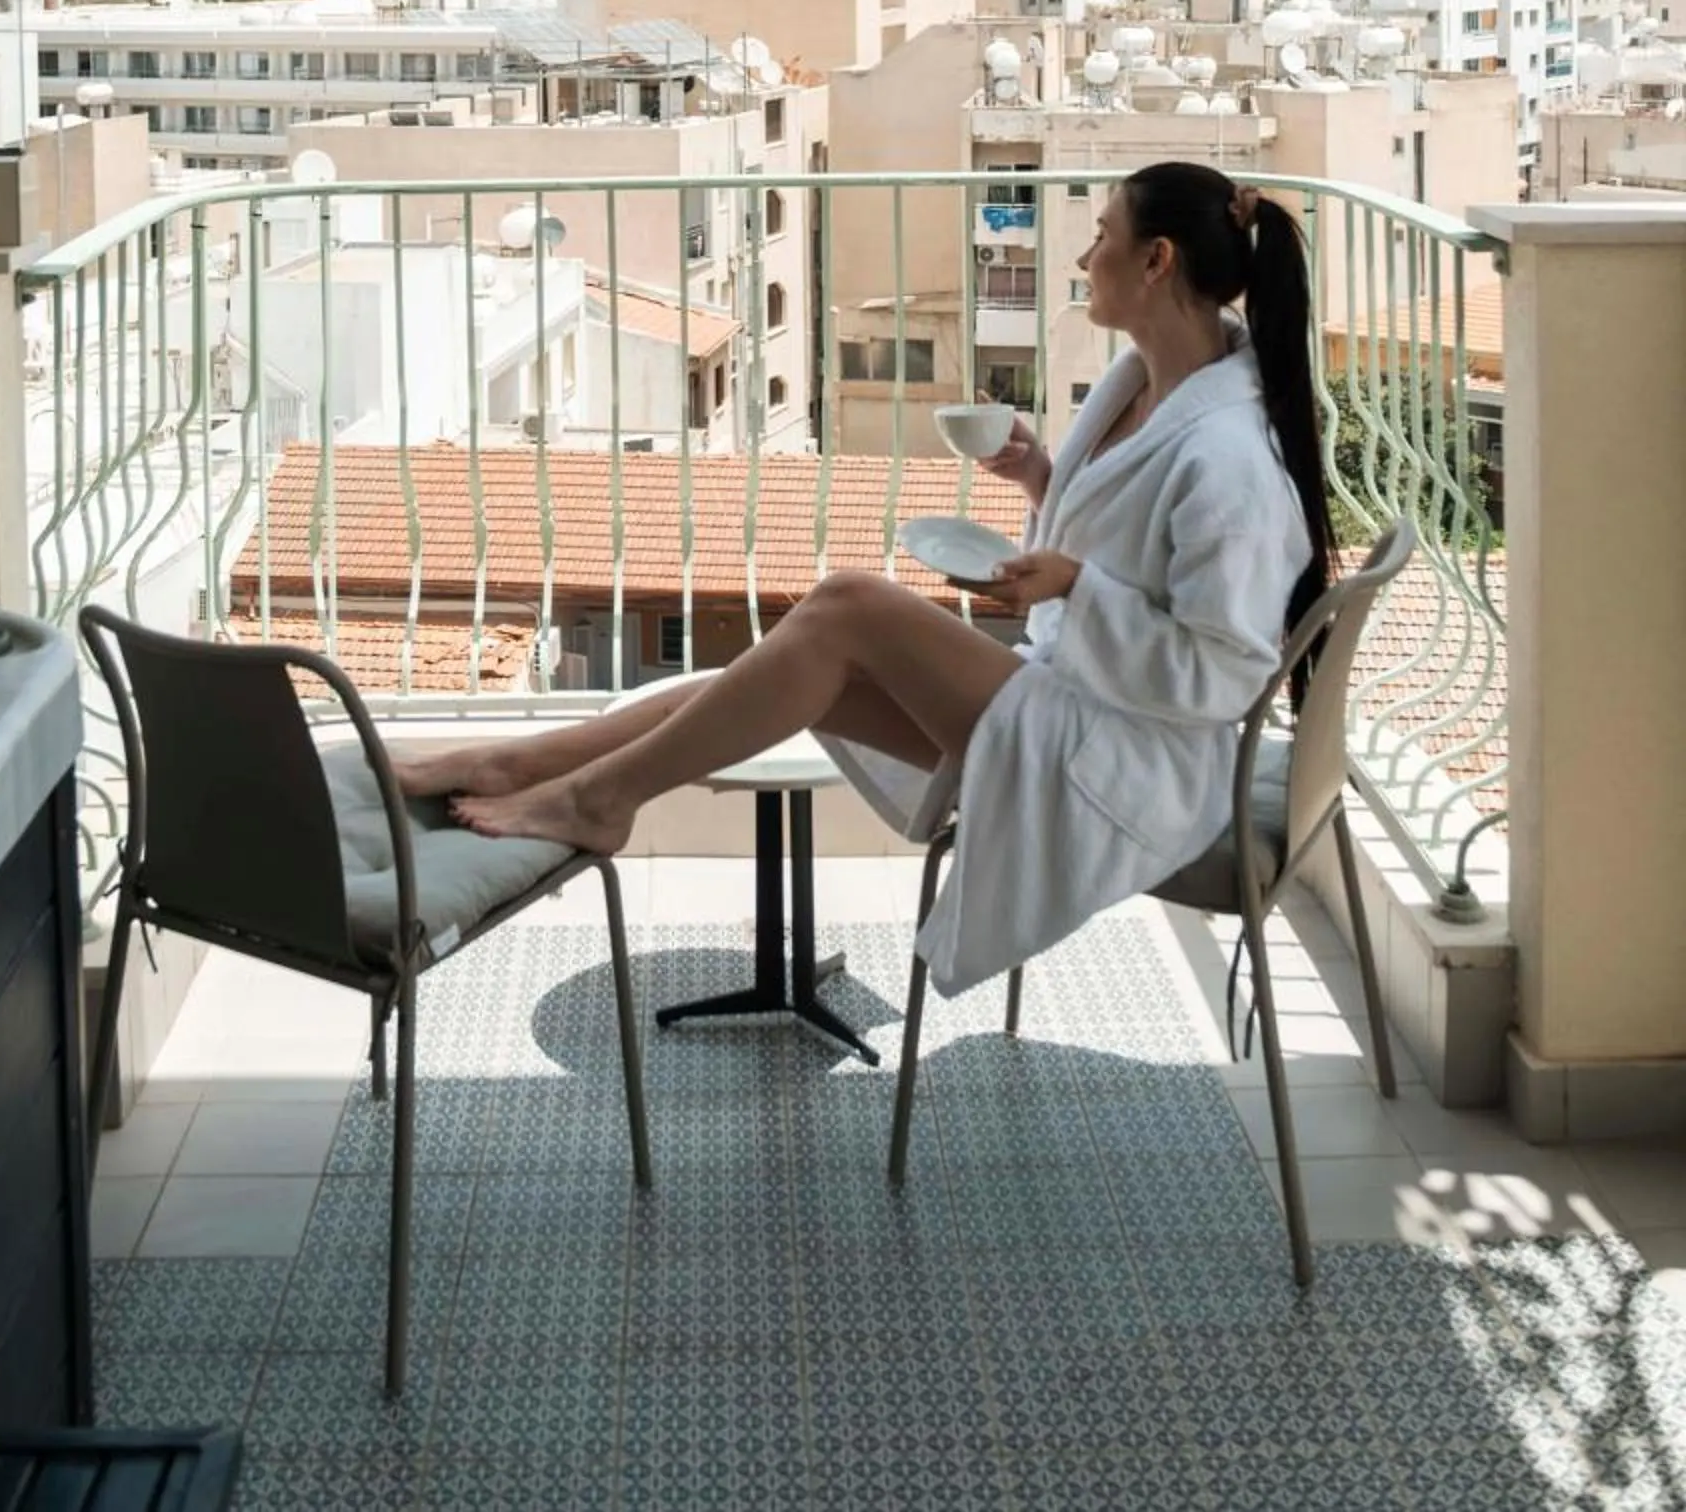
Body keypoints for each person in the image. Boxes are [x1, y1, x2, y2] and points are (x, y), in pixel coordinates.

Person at [400, 162, 1333, 998]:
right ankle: (520, 765)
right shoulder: (1140, 384)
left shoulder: (1228, 458)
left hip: (1137, 764)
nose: (1085, 257)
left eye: (1102, 237)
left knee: (845, 607)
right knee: (774, 674)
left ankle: (598, 799)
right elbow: (1133, 548)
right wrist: (1045, 482)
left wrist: (1076, 590)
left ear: (1157, 261)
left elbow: (1223, 676)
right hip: (1073, 701)